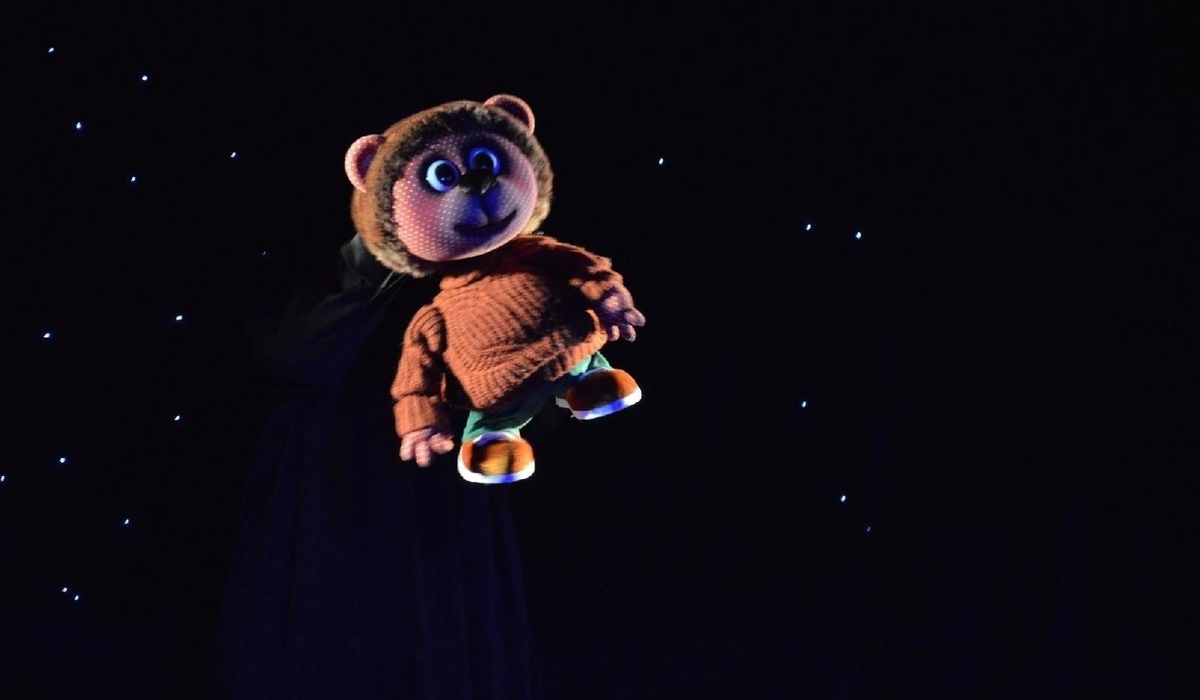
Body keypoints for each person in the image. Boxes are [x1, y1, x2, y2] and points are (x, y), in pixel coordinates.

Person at [210, 232, 551, 699]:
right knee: (327, 642)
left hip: (439, 476)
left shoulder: (486, 242)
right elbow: (291, 352)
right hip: (323, 473)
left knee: (439, 641)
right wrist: (386, 243)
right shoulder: (299, 237)